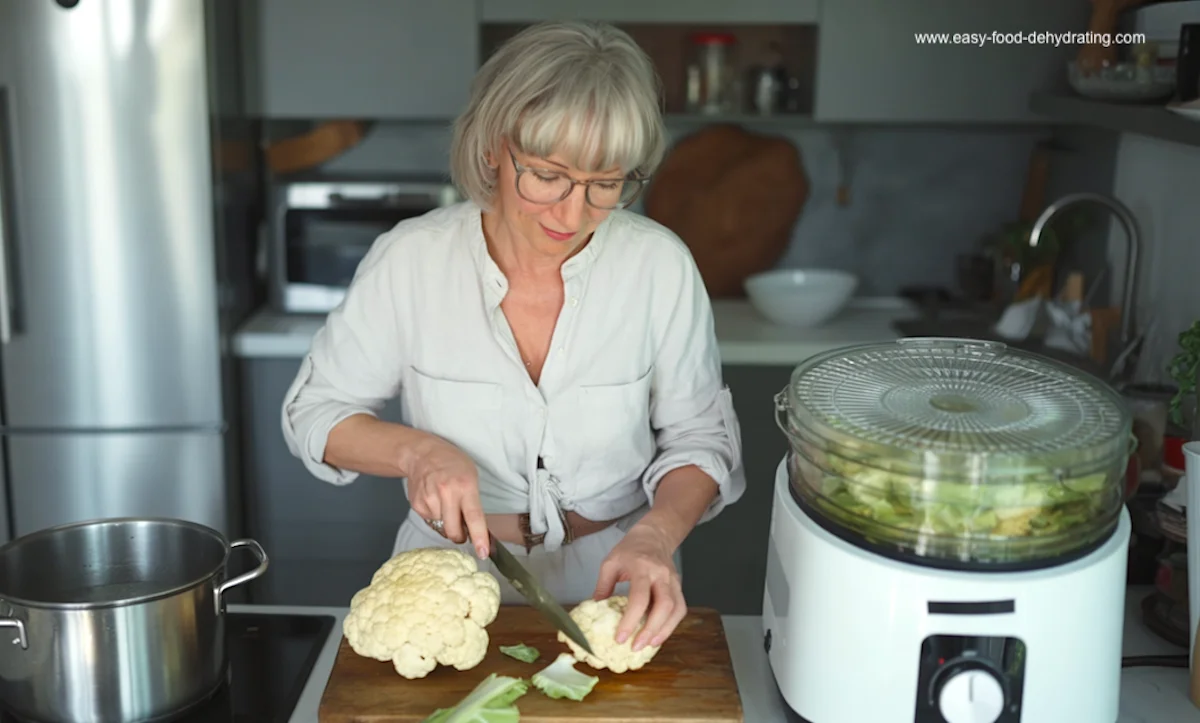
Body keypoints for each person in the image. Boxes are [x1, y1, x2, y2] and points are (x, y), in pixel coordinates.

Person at [281, 19, 745, 652]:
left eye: (606, 183)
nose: (573, 213)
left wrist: (657, 535)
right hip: (450, 579)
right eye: (548, 175)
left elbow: (701, 439)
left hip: (615, 577)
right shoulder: (412, 260)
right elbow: (315, 413)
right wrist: (416, 452)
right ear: (493, 147)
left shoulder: (659, 267)